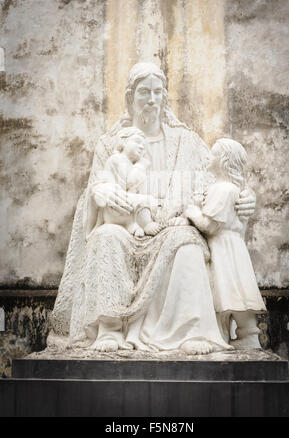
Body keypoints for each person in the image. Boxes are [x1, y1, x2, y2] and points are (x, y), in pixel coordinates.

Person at [49, 62, 256, 355]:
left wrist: (245, 196)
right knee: (105, 237)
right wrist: (101, 192)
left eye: (158, 92)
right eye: (144, 92)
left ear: (165, 97)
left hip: (172, 225)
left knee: (188, 244)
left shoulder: (187, 142)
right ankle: (110, 329)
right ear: (130, 98)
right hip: (126, 226)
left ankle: (192, 331)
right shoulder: (110, 145)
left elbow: (222, 178)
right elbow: (94, 192)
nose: (151, 99)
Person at [185, 138, 266, 348]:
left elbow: (209, 225)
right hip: (232, 246)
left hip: (223, 247)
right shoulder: (228, 188)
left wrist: (193, 211)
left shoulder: (223, 189)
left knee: (231, 291)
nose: (208, 158)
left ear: (223, 161)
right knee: (238, 290)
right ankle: (247, 334)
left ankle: (248, 335)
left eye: (213, 154)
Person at [100, 126, 162, 237]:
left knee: (146, 200)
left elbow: (138, 189)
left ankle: (133, 225)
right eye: (137, 142)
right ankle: (145, 224)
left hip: (126, 204)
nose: (142, 147)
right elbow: (131, 182)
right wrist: (141, 165)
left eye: (144, 146)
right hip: (116, 205)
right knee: (142, 200)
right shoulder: (117, 159)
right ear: (123, 142)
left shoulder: (129, 164)